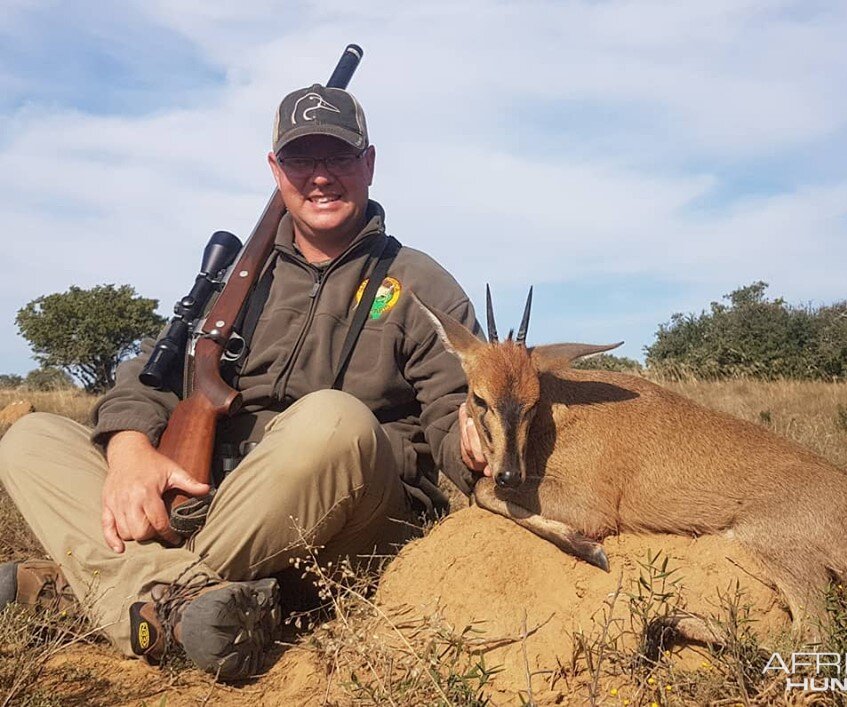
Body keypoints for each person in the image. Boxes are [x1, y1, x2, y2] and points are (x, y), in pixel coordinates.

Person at [0, 83, 488, 681]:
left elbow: (452, 414)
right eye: (301, 158)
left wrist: (476, 437)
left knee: (332, 420)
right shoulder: (235, 280)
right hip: (213, 506)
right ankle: (178, 606)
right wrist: (128, 450)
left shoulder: (422, 283)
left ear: (369, 163)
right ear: (274, 169)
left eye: (337, 156)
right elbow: (147, 378)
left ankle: (112, 590)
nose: (320, 176)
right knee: (32, 439)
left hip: (344, 522)